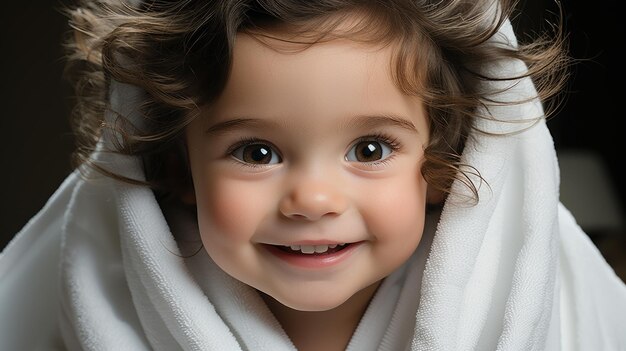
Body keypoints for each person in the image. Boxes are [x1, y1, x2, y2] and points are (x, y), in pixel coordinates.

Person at [1, 0, 625, 350]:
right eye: (257, 153)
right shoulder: (100, 314)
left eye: (372, 149)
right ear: (176, 165)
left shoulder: (531, 306)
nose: (314, 199)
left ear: (442, 164)